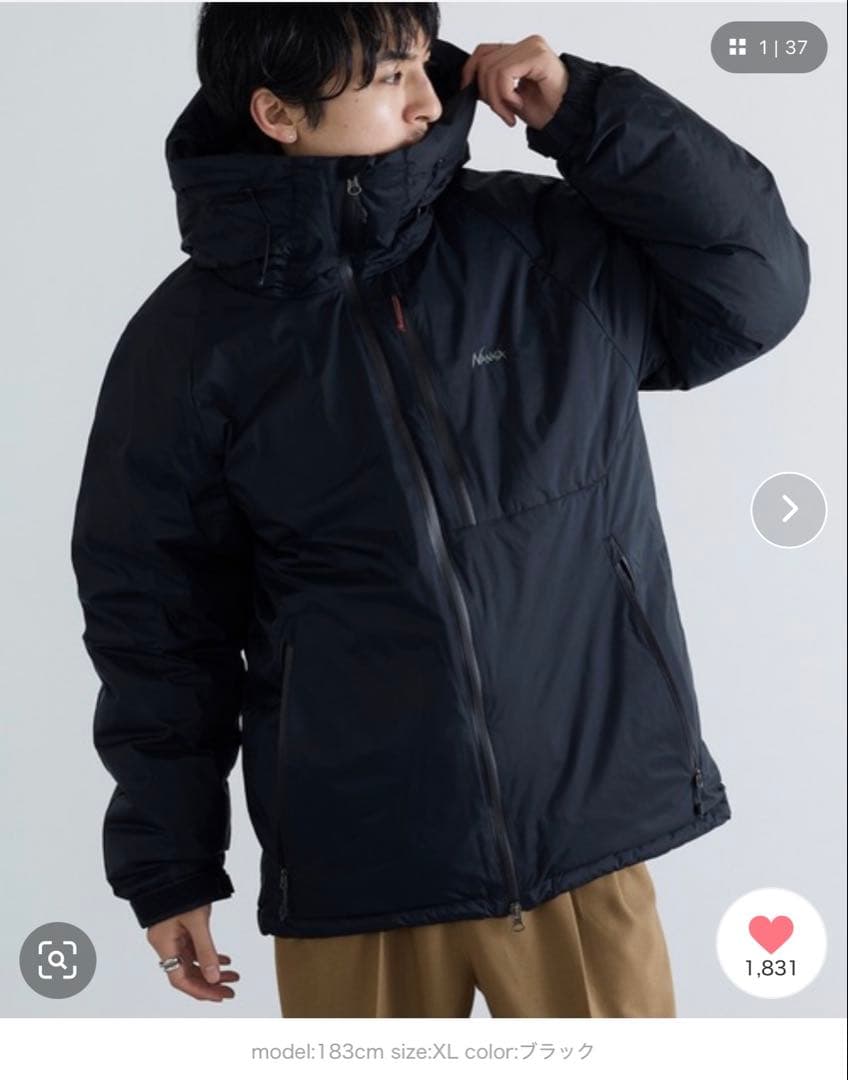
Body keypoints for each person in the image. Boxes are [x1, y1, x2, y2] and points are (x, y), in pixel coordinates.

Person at [70, 2, 810, 1018]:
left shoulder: (538, 246)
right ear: (277, 113)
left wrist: (587, 110)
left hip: (578, 846)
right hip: (357, 876)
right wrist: (169, 864)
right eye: (388, 77)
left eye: (422, 62)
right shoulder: (188, 347)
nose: (428, 100)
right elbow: (154, 624)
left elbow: (756, 286)